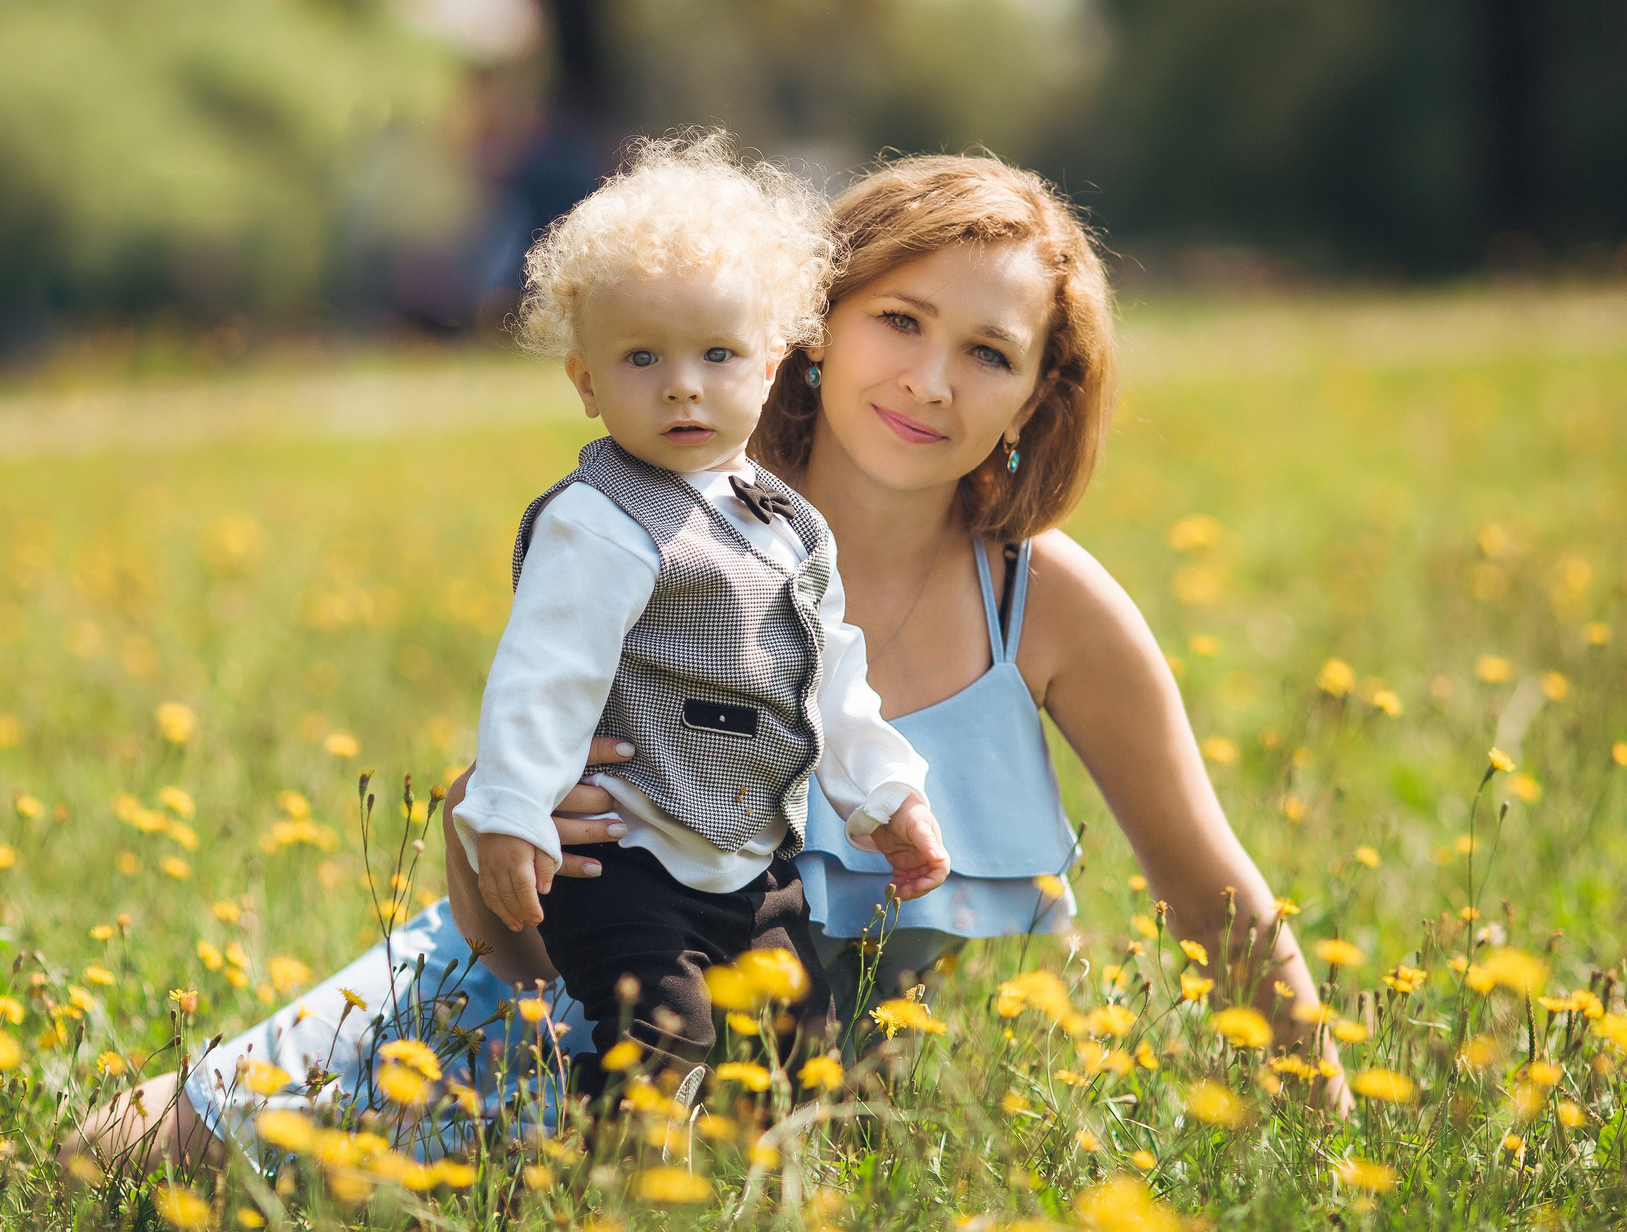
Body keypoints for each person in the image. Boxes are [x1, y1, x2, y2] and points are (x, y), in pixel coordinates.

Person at [72, 153, 1336, 1174]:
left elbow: (1214, 894)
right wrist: (494, 823)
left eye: (989, 353)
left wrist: (1334, 1137)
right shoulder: (666, 523)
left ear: (1035, 398)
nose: (931, 380)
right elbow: (500, 854)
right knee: (102, 1162)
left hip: (755, 1126)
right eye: (898, 318)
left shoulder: (1044, 603)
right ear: (810, 328)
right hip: (501, 1003)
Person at [453, 136, 949, 1099]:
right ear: (586, 381)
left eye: (717, 354)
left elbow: (825, 677)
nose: (682, 383)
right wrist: (511, 814)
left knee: (804, 1053)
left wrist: (886, 793)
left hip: (754, 863)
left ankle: (785, 1192)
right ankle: (615, 1190)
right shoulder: (598, 521)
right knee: (659, 1033)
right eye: (642, 357)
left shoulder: (787, 522)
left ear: (770, 366)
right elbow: (542, 675)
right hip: (630, 861)